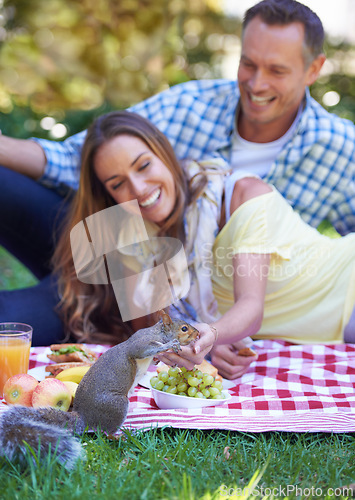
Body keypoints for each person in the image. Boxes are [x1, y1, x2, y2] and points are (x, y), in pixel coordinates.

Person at [0, 0, 354, 344]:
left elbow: (243, 306)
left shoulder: (332, 150)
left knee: (16, 320)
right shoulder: (189, 107)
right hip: (109, 236)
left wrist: (210, 336)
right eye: (248, 64)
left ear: (313, 69)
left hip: (142, 289)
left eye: (277, 70)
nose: (257, 84)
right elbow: (79, 157)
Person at [51, 110, 355, 380]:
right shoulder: (133, 238)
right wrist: (207, 348)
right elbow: (151, 328)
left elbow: (250, 307)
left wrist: (214, 332)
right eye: (118, 184)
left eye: (143, 166)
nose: (138, 189)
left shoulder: (245, 197)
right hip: (321, 333)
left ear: (165, 154)